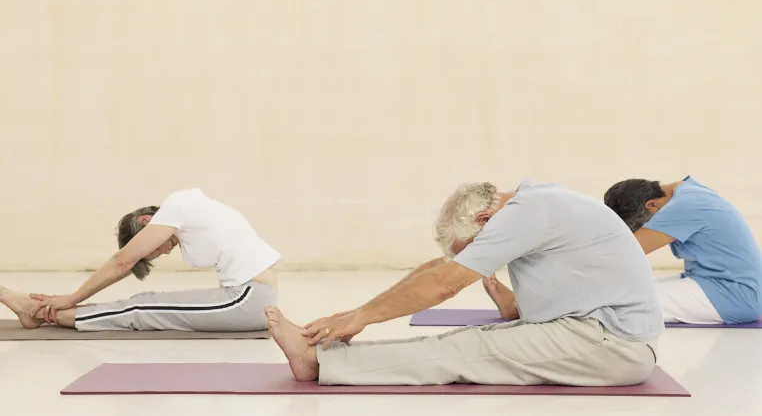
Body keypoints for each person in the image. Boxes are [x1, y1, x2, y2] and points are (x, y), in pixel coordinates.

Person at [264, 179, 663, 386]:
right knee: (467, 340)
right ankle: (327, 360)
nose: (474, 256)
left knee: (465, 349)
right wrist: (355, 312)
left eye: (473, 246)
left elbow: (443, 283)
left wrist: (362, 317)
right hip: (601, 337)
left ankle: (318, 362)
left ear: (486, 221)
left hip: (612, 344)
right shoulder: (534, 203)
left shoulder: (529, 210)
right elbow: (438, 268)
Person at [0, 188, 279, 332]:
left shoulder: (178, 206)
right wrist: (74, 298)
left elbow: (122, 261)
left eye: (153, 251)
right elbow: (125, 261)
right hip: (249, 297)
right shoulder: (191, 208)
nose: (164, 252)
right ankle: (43, 310)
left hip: (248, 300)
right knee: (143, 302)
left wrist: (71, 298)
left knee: (140, 310)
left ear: (146, 221)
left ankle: (35, 312)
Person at [604, 176, 762, 325]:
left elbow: (622, 252)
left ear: (651, 205)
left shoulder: (685, 205)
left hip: (734, 295)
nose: (645, 229)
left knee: (617, 303)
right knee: (623, 290)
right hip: (721, 284)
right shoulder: (690, 191)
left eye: (640, 226)